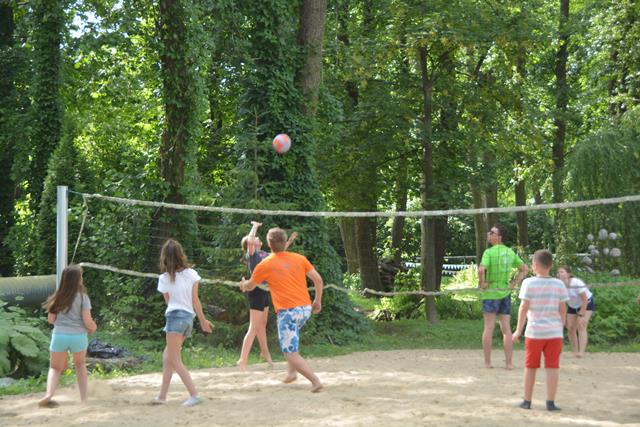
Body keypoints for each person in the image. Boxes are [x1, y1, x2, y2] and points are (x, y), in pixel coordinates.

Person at [239, 227, 323, 393]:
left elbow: (250, 286)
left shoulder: (265, 264)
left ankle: (315, 381)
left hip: (288, 312)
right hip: (305, 309)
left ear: (269, 244)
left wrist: (243, 284)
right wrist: (317, 300)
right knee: (292, 340)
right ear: (285, 242)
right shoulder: (299, 258)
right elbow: (318, 280)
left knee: (289, 352)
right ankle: (292, 373)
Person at [153, 239, 213, 407]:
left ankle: (194, 395)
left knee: (174, 359)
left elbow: (169, 302)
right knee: (167, 357)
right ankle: (162, 396)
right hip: (188, 319)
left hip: (174, 318)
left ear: (164, 257)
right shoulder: (192, 274)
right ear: (181, 254)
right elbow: (195, 300)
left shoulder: (164, 278)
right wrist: (203, 321)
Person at [513, 250, 569, 411]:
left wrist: (518, 330)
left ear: (535, 265)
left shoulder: (528, 283)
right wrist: (561, 325)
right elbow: (563, 308)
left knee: (530, 367)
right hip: (554, 333)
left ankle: (527, 401)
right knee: (552, 367)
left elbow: (524, 307)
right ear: (551, 265)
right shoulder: (559, 284)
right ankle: (550, 402)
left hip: (534, 332)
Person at [237, 221, 298, 371]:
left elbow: (278, 254)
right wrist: (254, 226)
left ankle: (265, 353)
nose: (257, 238)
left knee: (262, 324)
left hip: (264, 290)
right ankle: (242, 360)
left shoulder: (264, 254)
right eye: (254, 238)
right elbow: (250, 241)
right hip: (256, 291)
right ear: (251, 243)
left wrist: (289, 241)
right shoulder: (252, 255)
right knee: (253, 327)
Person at [39, 264, 97, 407]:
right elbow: (87, 321)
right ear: (78, 280)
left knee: (55, 368)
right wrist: (93, 327)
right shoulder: (83, 298)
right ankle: (84, 399)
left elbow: (51, 320)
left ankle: (48, 394)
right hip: (78, 337)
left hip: (59, 336)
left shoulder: (57, 297)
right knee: (80, 365)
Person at [478, 223, 528, 370]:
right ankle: (508, 363)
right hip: (505, 293)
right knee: (506, 329)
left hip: (491, 293)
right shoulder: (510, 252)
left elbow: (481, 270)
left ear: (499, 237)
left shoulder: (489, 252)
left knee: (489, 328)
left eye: (492, 232)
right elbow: (524, 269)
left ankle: (487, 363)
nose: (488, 234)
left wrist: (482, 283)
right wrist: (513, 284)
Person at [557, 266, 594, 357]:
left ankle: (581, 352)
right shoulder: (559, 285)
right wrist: (562, 316)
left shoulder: (576, 283)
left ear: (568, 274)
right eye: (558, 272)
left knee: (581, 325)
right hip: (572, 306)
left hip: (586, 303)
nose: (559, 274)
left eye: (562, 272)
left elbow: (585, 299)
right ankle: (575, 352)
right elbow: (562, 303)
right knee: (570, 328)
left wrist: (581, 314)